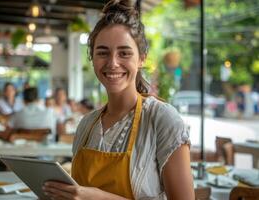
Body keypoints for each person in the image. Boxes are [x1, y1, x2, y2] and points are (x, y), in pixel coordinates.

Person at [43, 0, 194, 199]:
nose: (113, 63)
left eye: (124, 53)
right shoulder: (86, 126)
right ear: (92, 58)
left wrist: (99, 197)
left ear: (141, 59)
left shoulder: (162, 119)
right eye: (103, 53)